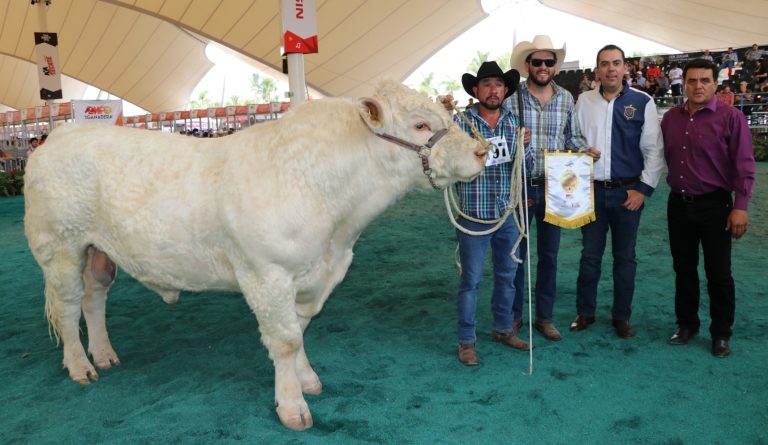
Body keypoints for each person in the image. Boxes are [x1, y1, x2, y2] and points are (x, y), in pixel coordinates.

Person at [660, 58, 755, 358]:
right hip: (679, 204)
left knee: (719, 273)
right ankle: (687, 325)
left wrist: (740, 206)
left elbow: (744, 165)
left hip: (716, 206)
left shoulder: (731, 118)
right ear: (683, 83)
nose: (698, 86)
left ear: (715, 84)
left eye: (704, 80)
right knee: (683, 268)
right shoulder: (670, 118)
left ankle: (721, 333)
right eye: (692, 81)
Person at [506, 35, 599, 342]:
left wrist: (585, 151)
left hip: (556, 188)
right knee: (516, 256)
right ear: (527, 65)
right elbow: (503, 145)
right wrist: (514, 142)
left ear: (555, 66)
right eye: (537, 62)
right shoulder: (510, 100)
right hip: (521, 186)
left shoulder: (565, 98)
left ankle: (543, 317)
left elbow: (572, 138)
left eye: (548, 62)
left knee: (550, 255)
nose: (543, 67)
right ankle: (514, 316)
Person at [571, 44, 665, 338]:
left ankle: (621, 317)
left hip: (628, 194)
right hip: (592, 191)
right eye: (604, 63)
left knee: (625, 258)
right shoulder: (583, 101)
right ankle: (585, 312)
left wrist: (643, 190)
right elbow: (572, 140)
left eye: (616, 62)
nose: (611, 68)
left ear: (626, 67)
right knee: (589, 256)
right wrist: (582, 151)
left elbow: (654, 150)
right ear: (597, 70)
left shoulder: (643, 101)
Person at [448, 61, 531, 365]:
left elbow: (527, 167)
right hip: (473, 215)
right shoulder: (458, 125)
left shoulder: (514, 123)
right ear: (476, 90)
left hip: (506, 213)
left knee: (507, 276)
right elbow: (447, 165)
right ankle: (466, 341)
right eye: (486, 84)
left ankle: (502, 328)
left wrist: (526, 146)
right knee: (471, 280)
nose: (493, 90)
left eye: (498, 84)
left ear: (505, 90)